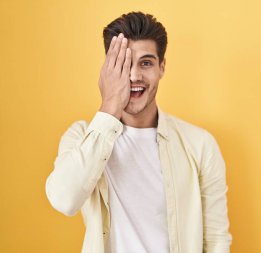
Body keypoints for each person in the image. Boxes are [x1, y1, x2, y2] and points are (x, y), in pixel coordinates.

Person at [45, 11, 232, 253]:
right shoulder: (82, 137)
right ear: (108, 69)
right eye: (123, 64)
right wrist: (110, 107)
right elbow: (64, 200)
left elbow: (216, 240)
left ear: (162, 67)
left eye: (146, 63)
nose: (134, 75)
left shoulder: (199, 145)